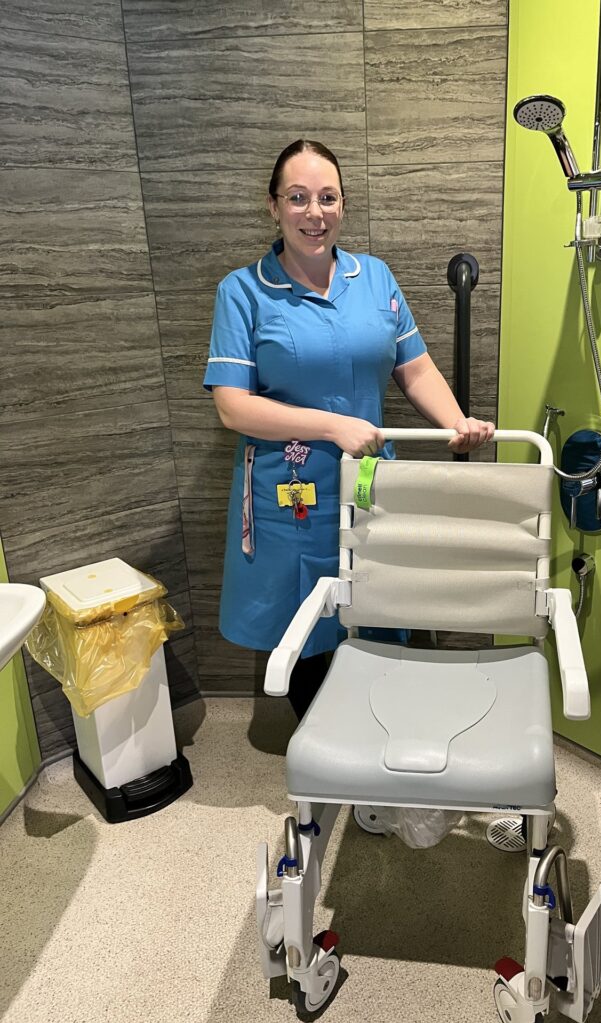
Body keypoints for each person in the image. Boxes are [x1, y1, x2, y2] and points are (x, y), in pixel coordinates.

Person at [204, 139, 494, 720]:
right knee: (304, 624)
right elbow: (233, 407)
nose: (315, 213)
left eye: (328, 198)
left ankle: (378, 734)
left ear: (343, 204)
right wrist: (334, 425)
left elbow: (415, 369)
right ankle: (325, 741)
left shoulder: (375, 278)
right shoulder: (243, 292)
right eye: (298, 198)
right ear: (273, 206)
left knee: (376, 604)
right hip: (290, 492)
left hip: (367, 480)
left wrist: (456, 421)